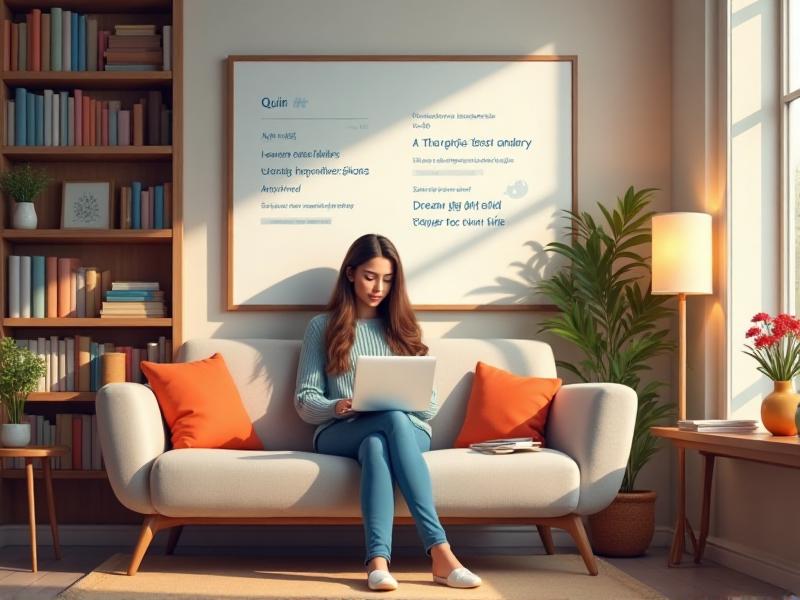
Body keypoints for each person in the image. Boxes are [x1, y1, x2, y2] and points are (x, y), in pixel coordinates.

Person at [294, 233, 482, 592]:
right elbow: (304, 400)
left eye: (388, 279)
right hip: (341, 430)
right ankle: (441, 552)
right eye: (370, 276)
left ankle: (378, 563)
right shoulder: (323, 327)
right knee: (381, 429)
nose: (378, 287)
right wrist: (339, 405)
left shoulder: (404, 327)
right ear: (350, 274)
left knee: (380, 442)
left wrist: (398, 399)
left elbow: (428, 406)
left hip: (407, 430)